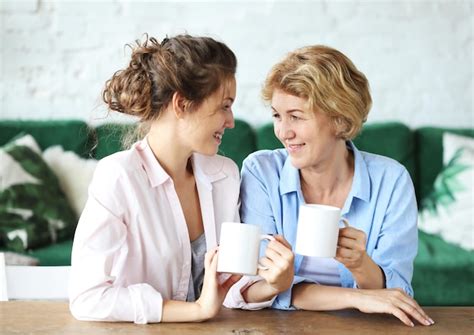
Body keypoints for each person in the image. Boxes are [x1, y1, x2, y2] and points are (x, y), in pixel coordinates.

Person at [224, 45, 434, 327]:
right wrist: (356, 298)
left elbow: (396, 293)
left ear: (339, 118)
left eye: (296, 116)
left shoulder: (391, 181)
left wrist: (360, 264)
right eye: (277, 115)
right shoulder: (261, 171)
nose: (283, 133)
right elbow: (259, 284)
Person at [69, 34, 241, 324]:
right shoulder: (119, 177)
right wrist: (197, 311)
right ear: (182, 104)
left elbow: (234, 286)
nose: (231, 120)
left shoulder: (225, 174)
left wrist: (270, 283)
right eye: (224, 105)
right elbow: (87, 298)